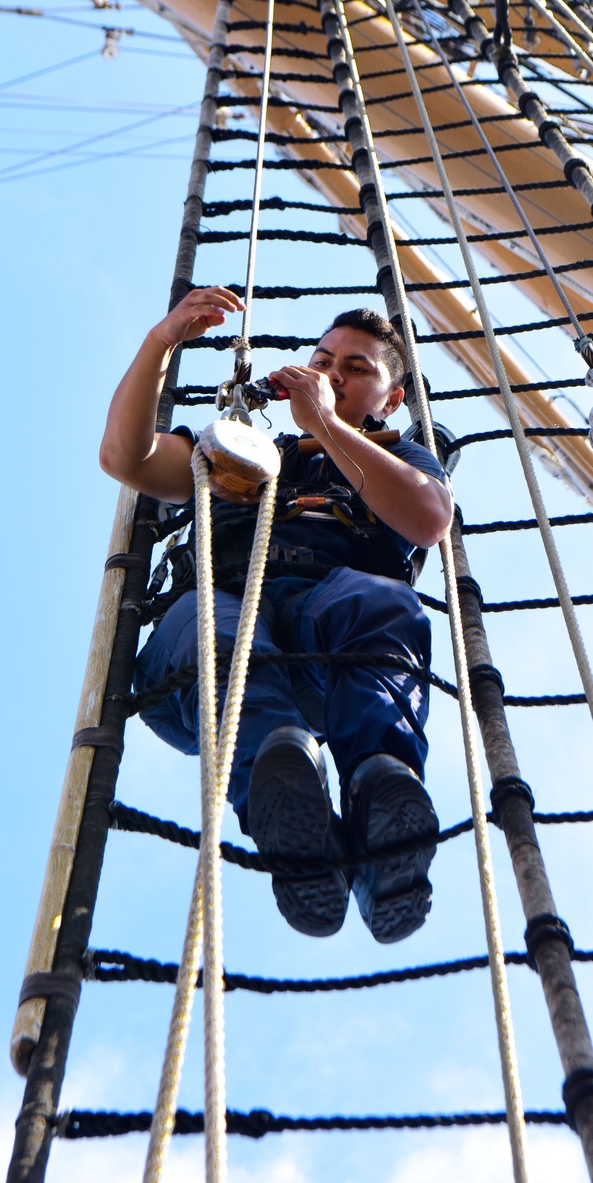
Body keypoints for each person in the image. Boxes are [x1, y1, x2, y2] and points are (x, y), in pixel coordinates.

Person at [100, 285, 454, 943]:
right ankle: (288, 801)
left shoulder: (403, 458)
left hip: (333, 641)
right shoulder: (240, 451)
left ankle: (382, 794)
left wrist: (326, 425)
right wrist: (162, 341)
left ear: (393, 399)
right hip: (213, 638)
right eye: (323, 359)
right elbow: (126, 458)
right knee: (212, 620)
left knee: (379, 602)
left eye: (357, 367)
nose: (332, 373)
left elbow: (428, 519)